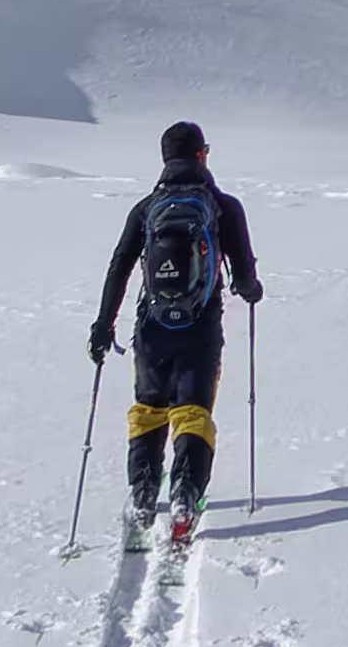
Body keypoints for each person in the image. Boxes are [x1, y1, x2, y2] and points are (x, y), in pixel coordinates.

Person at [90, 119, 261, 550]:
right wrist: (251, 289)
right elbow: (243, 278)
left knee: (149, 409)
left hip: (151, 326)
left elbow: (120, 267)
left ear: (165, 159)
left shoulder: (146, 208)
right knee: (192, 412)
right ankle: (185, 500)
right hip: (201, 327)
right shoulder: (224, 206)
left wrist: (102, 325)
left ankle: (144, 494)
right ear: (202, 155)